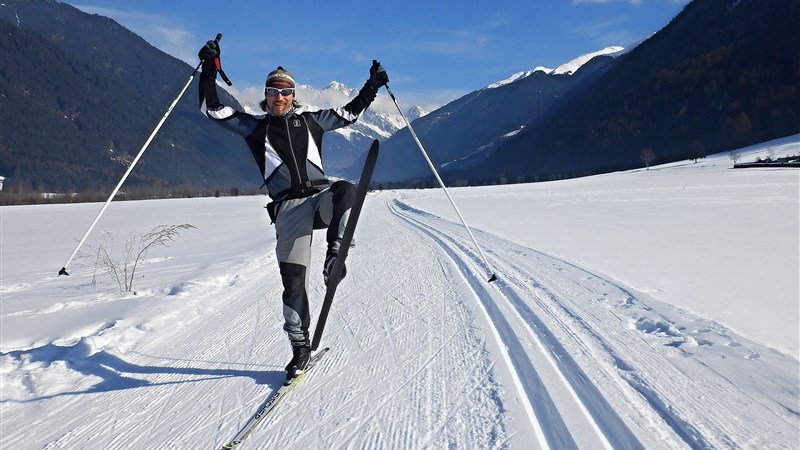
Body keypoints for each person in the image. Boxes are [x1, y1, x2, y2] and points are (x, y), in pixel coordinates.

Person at [197, 39, 389, 380]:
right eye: (273, 91)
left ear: (293, 95)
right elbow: (212, 109)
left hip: (320, 199)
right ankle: (300, 350)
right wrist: (210, 69)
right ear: (266, 95)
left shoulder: (313, 121)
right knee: (293, 282)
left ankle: (336, 255)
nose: (279, 97)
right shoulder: (254, 128)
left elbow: (349, 113)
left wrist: (372, 86)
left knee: (347, 189)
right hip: (289, 210)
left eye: (286, 91)